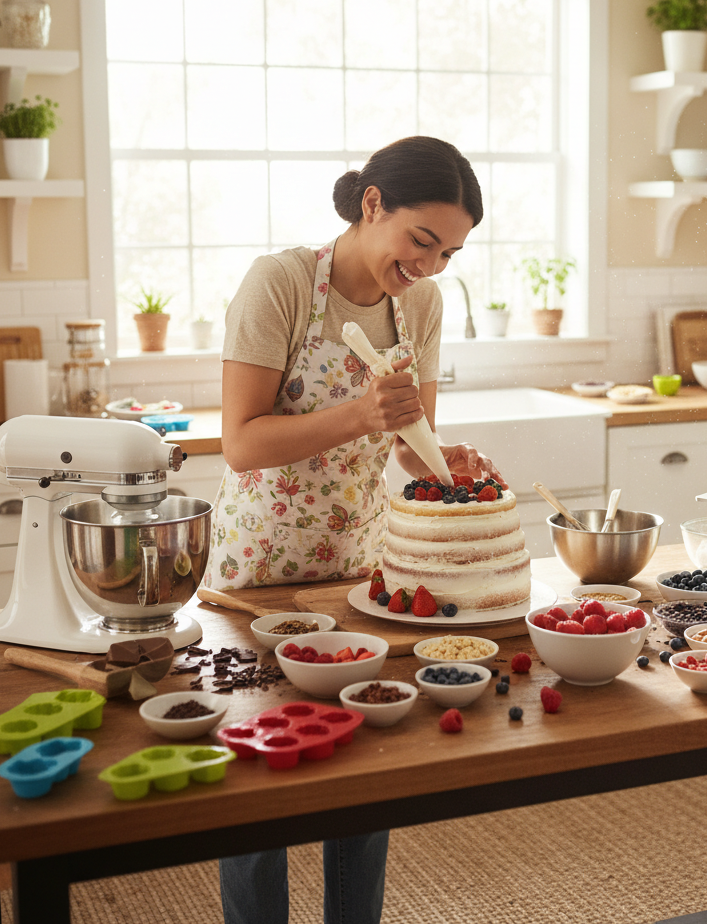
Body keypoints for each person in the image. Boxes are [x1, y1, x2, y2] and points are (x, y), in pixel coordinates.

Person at [211, 136, 503, 924]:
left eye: (450, 251)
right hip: (256, 578)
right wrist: (360, 415)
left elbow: (411, 440)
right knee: (257, 792)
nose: (433, 265)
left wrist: (447, 460)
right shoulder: (281, 283)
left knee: (363, 778)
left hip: (357, 577)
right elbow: (240, 441)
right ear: (373, 204)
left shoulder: (422, 304)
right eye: (423, 241)